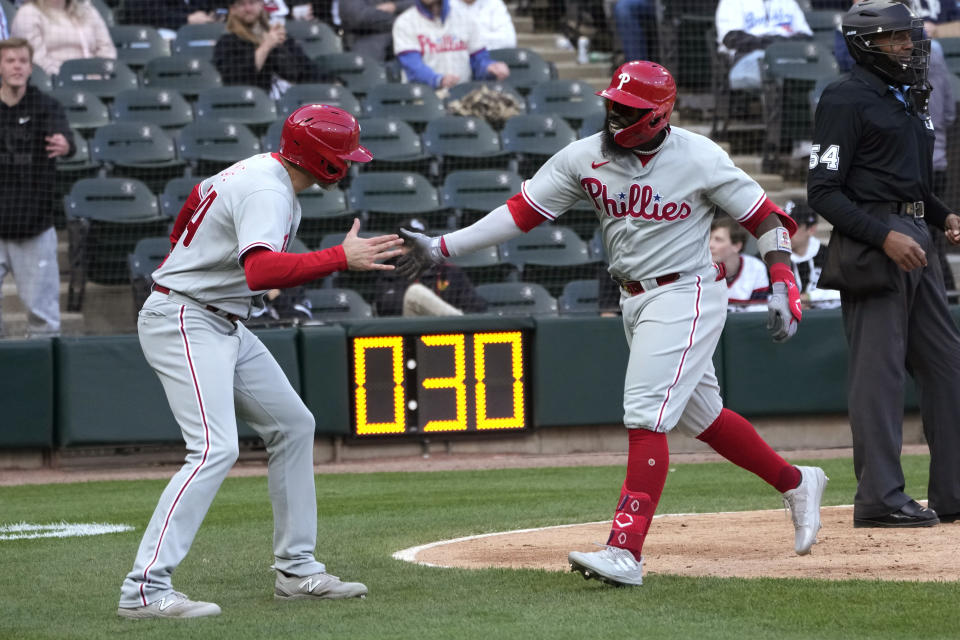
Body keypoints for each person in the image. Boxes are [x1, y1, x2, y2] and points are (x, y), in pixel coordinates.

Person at [399, 61, 829, 587]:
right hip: (634, 299)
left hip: (686, 291)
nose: (616, 113)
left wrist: (783, 279)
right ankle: (796, 481)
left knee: (645, 413)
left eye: (629, 109)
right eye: (613, 104)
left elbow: (764, 217)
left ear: (659, 115)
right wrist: (443, 246)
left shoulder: (699, 155)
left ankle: (625, 549)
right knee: (704, 418)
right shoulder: (585, 155)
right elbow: (521, 212)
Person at [117, 105, 403, 619]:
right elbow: (261, 270)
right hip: (186, 316)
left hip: (217, 317)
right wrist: (342, 258)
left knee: (294, 424)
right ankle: (143, 589)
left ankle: (297, 571)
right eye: (344, 155)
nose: (350, 163)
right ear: (325, 161)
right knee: (213, 449)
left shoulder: (257, 172)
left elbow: (182, 223)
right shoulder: (269, 189)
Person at [807, 0, 960, 528]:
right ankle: (879, 498)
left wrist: (942, 217)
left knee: (947, 368)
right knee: (879, 377)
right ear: (864, 45)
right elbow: (823, 191)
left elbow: (912, 185)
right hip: (874, 243)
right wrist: (884, 236)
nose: (906, 46)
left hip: (918, 239)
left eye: (907, 37)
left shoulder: (908, 97)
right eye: (893, 39)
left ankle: (953, 492)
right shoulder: (845, 98)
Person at [0, 37, 72, 339]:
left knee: (43, 319)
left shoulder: (45, 106)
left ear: (31, 67)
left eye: (23, 61)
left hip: (34, 226)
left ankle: (44, 382)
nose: (17, 66)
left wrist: (66, 144)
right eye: (10, 60)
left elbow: (67, 139)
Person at [374, 217, 488, 316]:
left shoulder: (448, 271)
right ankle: (458, 321)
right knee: (415, 293)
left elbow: (477, 307)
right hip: (408, 332)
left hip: (446, 336)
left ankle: (457, 322)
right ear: (399, 246)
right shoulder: (389, 270)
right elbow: (385, 308)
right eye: (408, 244)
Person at [392, 0, 510, 90]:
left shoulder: (466, 17)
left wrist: (489, 68)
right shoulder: (405, 22)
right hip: (422, 99)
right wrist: (438, 80)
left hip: (463, 95)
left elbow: (478, 59)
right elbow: (413, 67)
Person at [212, 0, 320, 97]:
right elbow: (236, 79)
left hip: (291, 100)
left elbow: (304, 69)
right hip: (253, 103)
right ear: (233, 9)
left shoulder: (278, 36)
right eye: (241, 4)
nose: (248, 9)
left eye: (252, 2)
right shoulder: (227, 42)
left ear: (261, 5)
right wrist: (266, 46)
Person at [715, 0, 813, 90]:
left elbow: (806, 36)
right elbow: (731, 38)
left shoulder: (788, 2)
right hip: (751, 57)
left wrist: (775, 43)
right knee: (770, 74)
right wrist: (772, 44)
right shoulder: (732, 2)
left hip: (788, 54)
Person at [11, 0, 116, 76]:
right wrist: (73, 76)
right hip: (56, 85)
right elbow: (36, 61)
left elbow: (107, 49)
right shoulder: (28, 14)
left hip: (96, 80)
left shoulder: (88, 11)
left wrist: (100, 73)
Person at [783, 199, 841, 308]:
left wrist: (809, 298)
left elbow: (842, 292)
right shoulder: (772, 257)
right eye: (782, 225)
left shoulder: (829, 256)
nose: (784, 232)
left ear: (811, 229)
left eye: (791, 227)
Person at [709, 214, 770, 310]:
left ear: (737, 246)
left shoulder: (756, 268)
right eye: (709, 239)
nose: (710, 245)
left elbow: (758, 316)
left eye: (718, 240)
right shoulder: (700, 269)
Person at [339, 0, 415, 62]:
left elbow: (419, 5)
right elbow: (358, 17)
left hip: (406, 47)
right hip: (367, 50)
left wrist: (395, 6)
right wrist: (399, 20)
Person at [121, 0, 217, 33]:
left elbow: (181, 7)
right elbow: (153, 15)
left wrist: (206, 16)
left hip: (176, 29)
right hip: (146, 34)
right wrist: (187, 19)